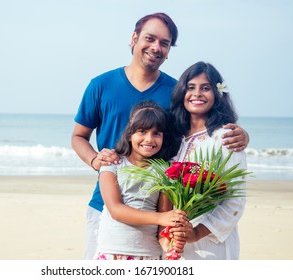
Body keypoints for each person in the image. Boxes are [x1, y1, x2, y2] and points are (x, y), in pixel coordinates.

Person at [71, 12, 249, 260]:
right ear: (134, 38)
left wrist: (239, 134)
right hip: (106, 204)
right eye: (150, 38)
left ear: (168, 51)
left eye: (164, 43)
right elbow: (79, 136)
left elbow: (197, 131)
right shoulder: (100, 85)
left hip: (157, 209)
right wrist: (95, 160)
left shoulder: (177, 92)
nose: (156, 47)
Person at [170, 61, 247, 259]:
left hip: (210, 245)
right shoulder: (173, 138)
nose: (197, 94)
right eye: (191, 88)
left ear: (218, 94)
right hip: (172, 241)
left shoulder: (226, 137)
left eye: (206, 88)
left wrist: (196, 233)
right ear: (182, 93)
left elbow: (234, 201)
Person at [95, 100, 188, 260]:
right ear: (130, 134)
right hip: (112, 252)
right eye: (142, 131)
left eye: (156, 133)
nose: (149, 139)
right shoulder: (113, 164)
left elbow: (163, 224)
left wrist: (170, 245)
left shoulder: (166, 170)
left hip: (149, 255)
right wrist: (161, 218)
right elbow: (116, 210)